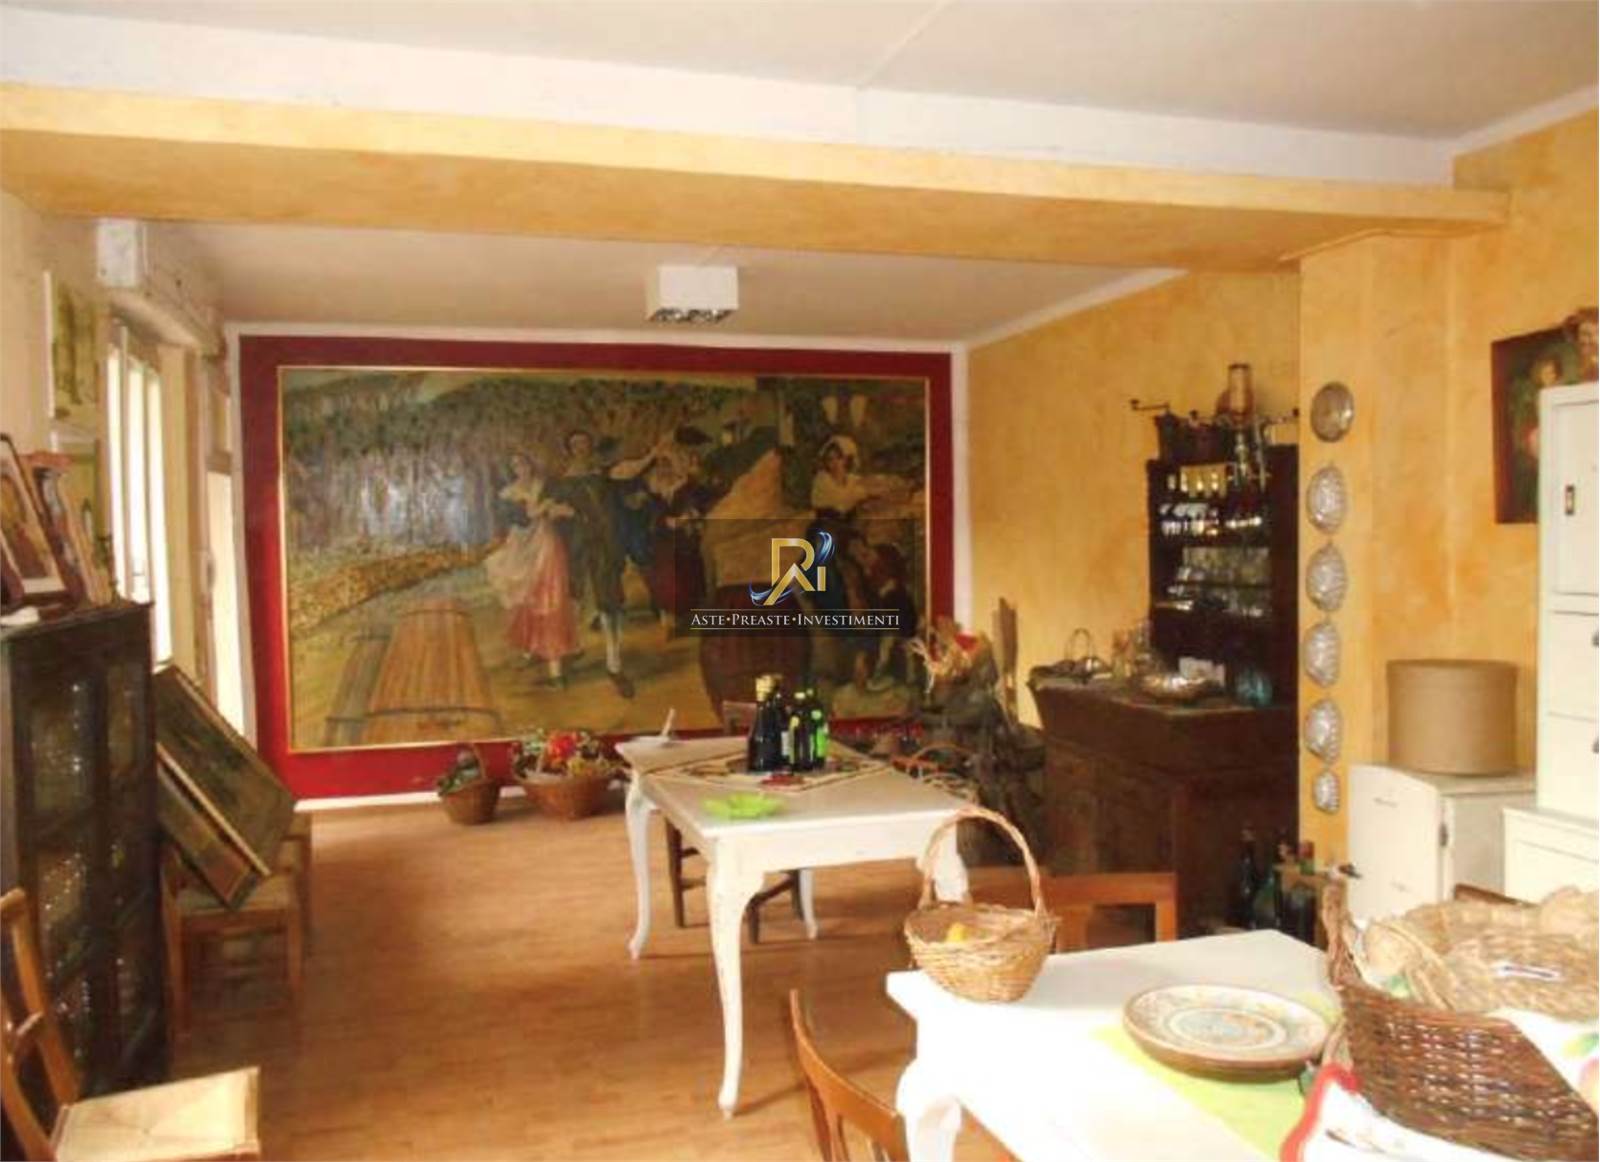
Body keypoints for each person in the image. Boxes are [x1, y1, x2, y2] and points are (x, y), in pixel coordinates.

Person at [548, 430, 636, 699]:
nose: (581, 448)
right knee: (572, 605)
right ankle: (562, 660)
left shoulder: (603, 477)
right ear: (569, 449)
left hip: (603, 547)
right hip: (576, 549)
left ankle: (614, 665)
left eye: (585, 443)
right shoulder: (562, 482)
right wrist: (562, 512)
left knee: (610, 605)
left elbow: (619, 507)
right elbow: (548, 510)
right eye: (575, 444)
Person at [483, 454, 578, 685]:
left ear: (531, 464)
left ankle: (555, 667)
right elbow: (521, 519)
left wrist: (556, 509)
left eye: (524, 463)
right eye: (515, 465)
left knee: (551, 599)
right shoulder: (507, 493)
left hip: (545, 544)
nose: (521, 468)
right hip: (521, 548)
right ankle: (532, 647)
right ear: (511, 469)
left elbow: (564, 510)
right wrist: (542, 508)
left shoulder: (544, 485)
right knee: (526, 598)